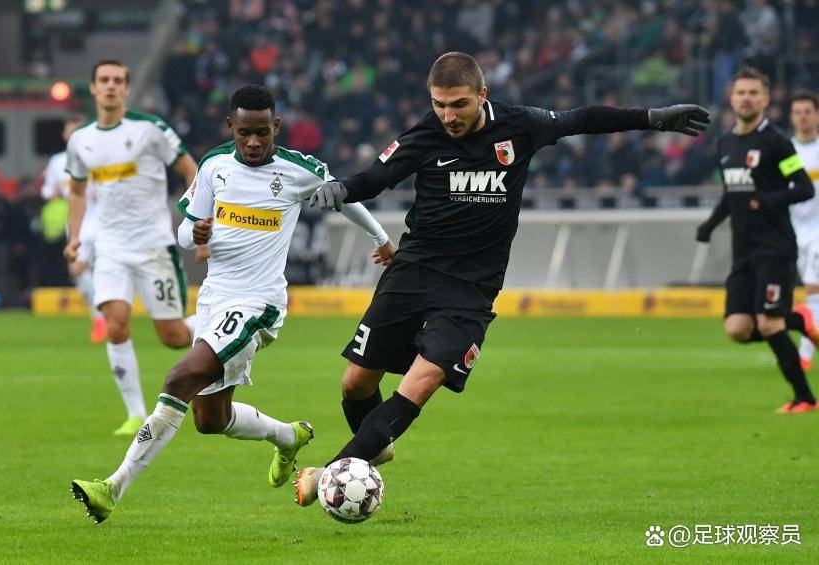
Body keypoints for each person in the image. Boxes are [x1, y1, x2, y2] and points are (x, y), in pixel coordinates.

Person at [293, 51, 711, 506]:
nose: (448, 116)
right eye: (439, 105)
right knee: (355, 384)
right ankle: (374, 445)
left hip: (470, 289)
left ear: (482, 95)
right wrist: (343, 188)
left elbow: (583, 118)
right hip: (412, 273)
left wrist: (652, 118)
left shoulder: (519, 125)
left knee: (423, 380)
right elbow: (377, 176)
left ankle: (332, 474)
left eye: (459, 104)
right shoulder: (426, 134)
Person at [69, 84, 395, 523]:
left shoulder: (297, 169)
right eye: (245, 133)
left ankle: (112, 487)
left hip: (258, 305)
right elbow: (184, 231)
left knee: (180, 376)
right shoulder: (214, 165)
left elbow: (343, 196)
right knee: (209, 419)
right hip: (214, 300)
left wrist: (381, 239)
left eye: (263, 132)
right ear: (231, 127)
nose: (254, 142)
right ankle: (288, 437)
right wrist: (195, 234)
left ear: (276, 126)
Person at [63, 60, 199, 436]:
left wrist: (195, 216)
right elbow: (77, 191)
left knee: (173, 338)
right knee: (115, 324)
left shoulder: (150, 129)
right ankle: (136, 414)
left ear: (126, 88)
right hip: (110, 247)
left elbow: (191, 169)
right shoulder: (80, 140)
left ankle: (215, 326)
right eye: (103, 80)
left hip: (153, 246)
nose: (110, 86)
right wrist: (74, 237)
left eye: (117, 80)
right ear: (93, 88)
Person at [696, 68, 817, 413]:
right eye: (741, 93)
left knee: (768, 322)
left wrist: (768, 200)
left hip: (775, 246)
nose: (746, 98)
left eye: (753, 93)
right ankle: (799, 320)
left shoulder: (777, 143)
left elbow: (804, 188)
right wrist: (710, 225)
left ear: (765, 99)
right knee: (737, 328)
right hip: (743, 250)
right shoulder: (725, 143)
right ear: (731, 98)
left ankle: (805, 398)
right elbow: (731, 194)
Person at [42, 115, 107, 342]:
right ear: (65, 135)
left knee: (87, 269)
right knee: (78, 271)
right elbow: (48, 191)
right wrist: (53, 193)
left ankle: (103, 316)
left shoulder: (97, 158)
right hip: (76, 223)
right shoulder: (57, 162)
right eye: (71, 132)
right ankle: (100, 314)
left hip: (99, 222)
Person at [786, 92, 819, 370]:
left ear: (817, 115)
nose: (803, 117)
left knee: (813, 288)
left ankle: (804, 355)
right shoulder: (786, 151)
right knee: (812, 293)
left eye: (807, 111)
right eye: (797, 112)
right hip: (794, 231)